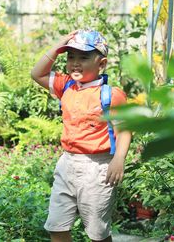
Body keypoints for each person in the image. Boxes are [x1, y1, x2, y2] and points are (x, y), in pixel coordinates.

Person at [31, 29, 132, 242]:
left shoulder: (111, 95)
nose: (75, 63)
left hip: (97, 169)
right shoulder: (65, 85)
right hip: (67, 163)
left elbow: (124, 130)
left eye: (83, 57)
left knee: (97, 233)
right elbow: (37, 73)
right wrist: (58, 46)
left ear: (101, 64)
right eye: (70, 57)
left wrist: (119, 159)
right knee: (56, 226)